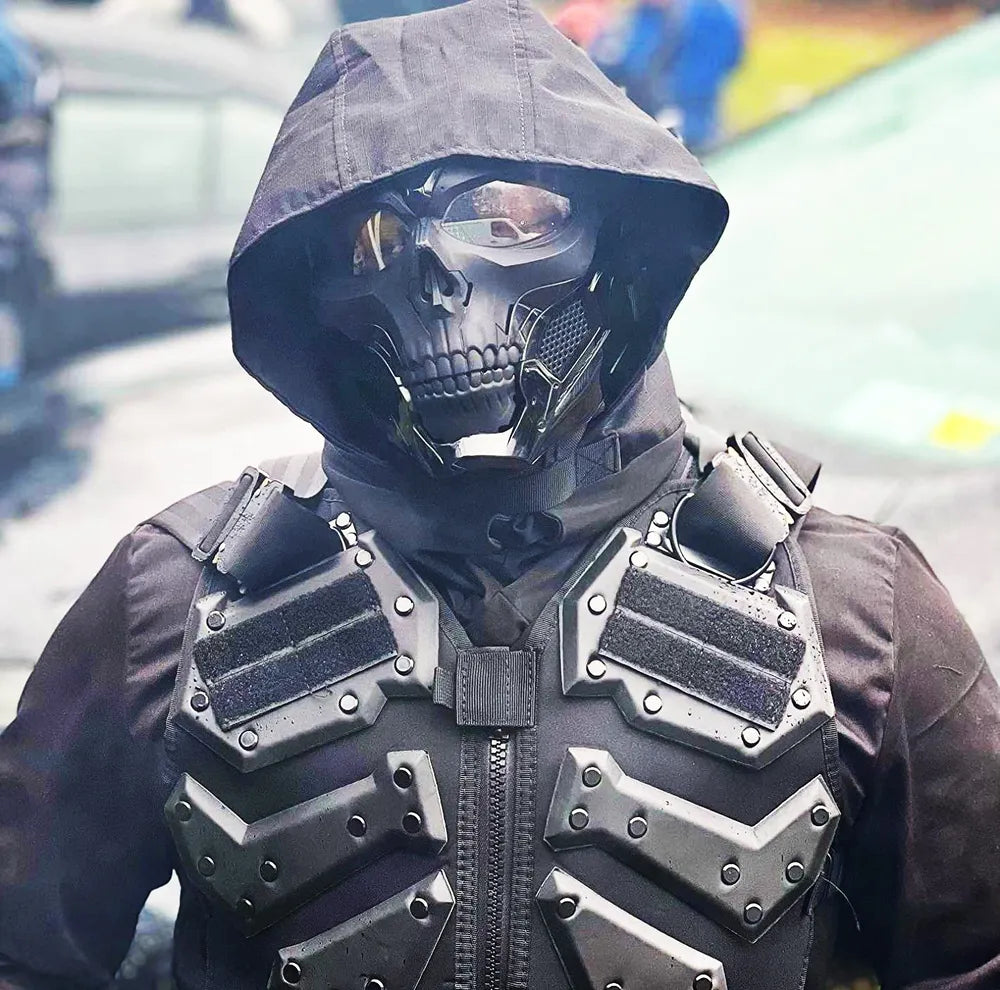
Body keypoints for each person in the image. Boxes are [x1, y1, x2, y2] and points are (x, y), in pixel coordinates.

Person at [1, 2, 998, 989]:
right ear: (310, 288)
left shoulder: (847, 603)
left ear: (620, 238)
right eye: (371, 240)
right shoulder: (179, 596)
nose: (437, 274)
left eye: (503, 213)